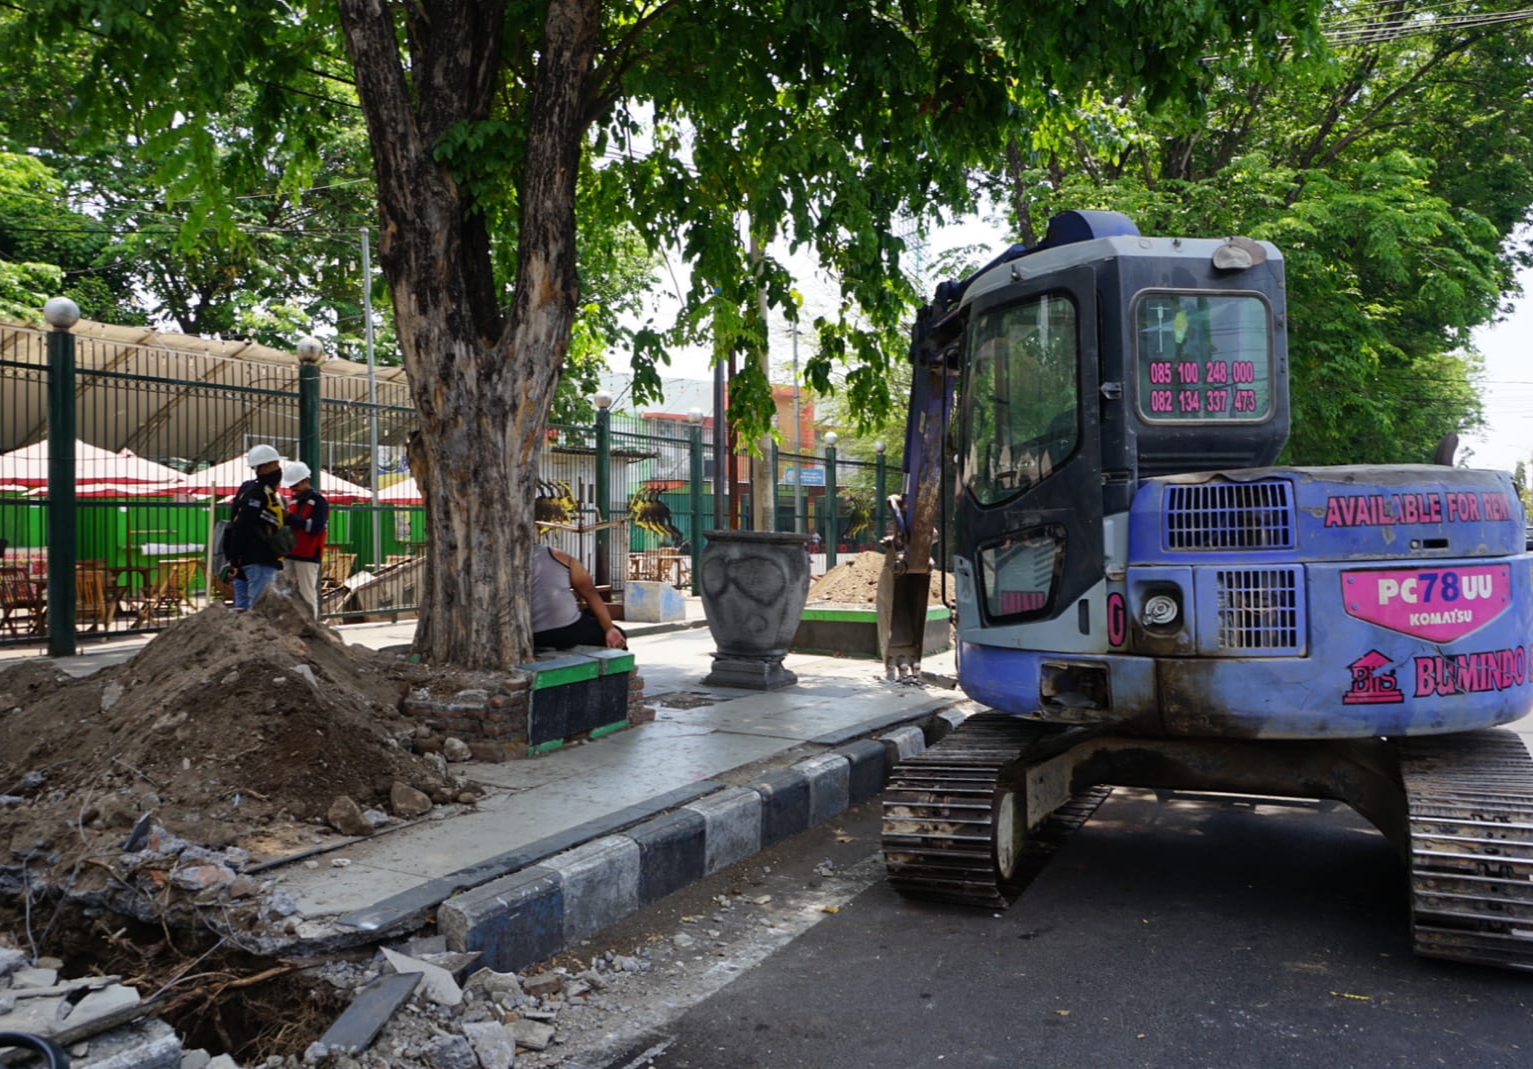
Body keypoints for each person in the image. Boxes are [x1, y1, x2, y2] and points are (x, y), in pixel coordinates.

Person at [221, 444, 289, 610]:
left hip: (246, 561)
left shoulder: (249, 489)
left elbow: (237, 523)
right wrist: (234, 558)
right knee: (259, 610)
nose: (278, 469)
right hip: (259, 561)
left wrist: (234, 558)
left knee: (242, 612)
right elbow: (244, 524)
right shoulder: (259, 493)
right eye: (275, 465)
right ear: (263, 468)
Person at [531, 544, 627, 650]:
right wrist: (609, 628)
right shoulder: (558, 556)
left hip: (530, 633)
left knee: (590, 613)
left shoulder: (512, 558)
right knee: (618, 635)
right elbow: (590, 592)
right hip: (564, 629)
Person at [282, 460, 329, 616]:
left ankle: (312, 626)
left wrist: (291, 518)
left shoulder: (318, 502)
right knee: (285, 592)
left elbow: (316, 527)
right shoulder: (294, 500)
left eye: (295, 485)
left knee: (307, 594)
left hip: (308, 554)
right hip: (292, 552)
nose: (292, 489)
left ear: (305, 481)